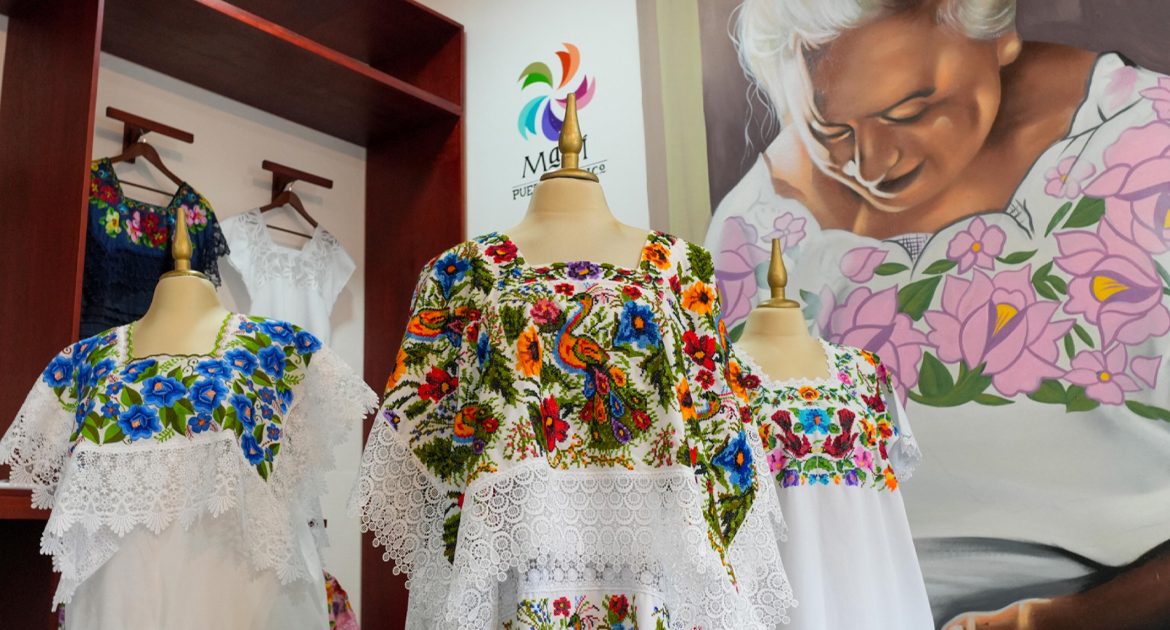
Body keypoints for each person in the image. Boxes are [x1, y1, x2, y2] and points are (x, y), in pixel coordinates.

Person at [705, 0, 1170, 627]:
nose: (872, 166)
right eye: (830, 132)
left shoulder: (1150, 153)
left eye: (908, 112)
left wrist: (1064, 620)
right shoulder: (754, 229)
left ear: (998, 32)